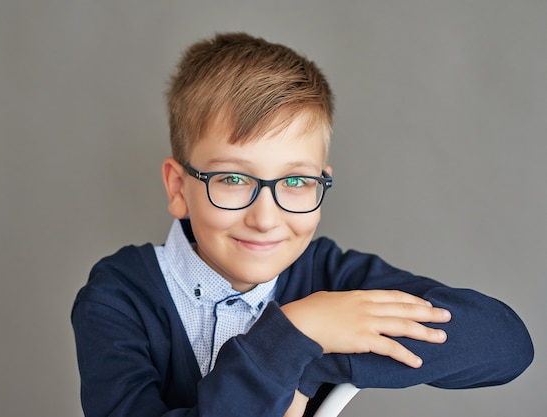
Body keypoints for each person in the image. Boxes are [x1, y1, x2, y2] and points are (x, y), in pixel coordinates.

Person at [71, 32, 533, 417]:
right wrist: (291, 335)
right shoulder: (118, 297)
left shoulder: (330, 277)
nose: (266, 218)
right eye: (232, 178)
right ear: (178, 187)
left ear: (321, 183)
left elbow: (502, 344)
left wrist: (305, 356)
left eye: (295, 181)